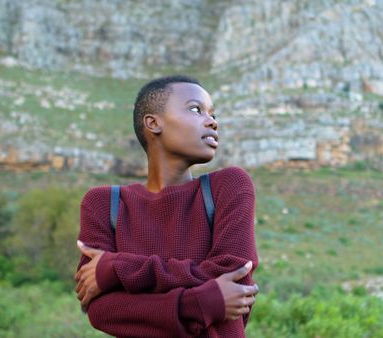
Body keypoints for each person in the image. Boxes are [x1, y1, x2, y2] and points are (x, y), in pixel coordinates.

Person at [74, 75, 259, 338]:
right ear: (153, 123)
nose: (212, 121)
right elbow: (101, 310)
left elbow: (236, 279)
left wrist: (115, 268)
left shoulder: (229, 186)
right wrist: (200, 303)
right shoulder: (104, 204)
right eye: (196, 109)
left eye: (213, 114)